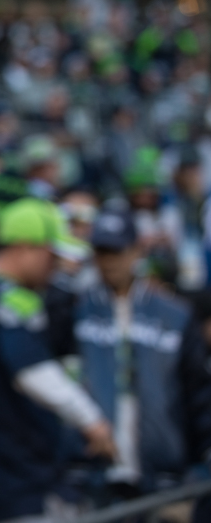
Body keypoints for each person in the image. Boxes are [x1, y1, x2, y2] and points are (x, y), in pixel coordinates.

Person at [0, 198, 116, 522]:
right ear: (25, 247)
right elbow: (33, 371)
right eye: (51, 255)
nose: (55, 267)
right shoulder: (12, 298)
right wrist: (92, 421)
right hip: (10, 476)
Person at [74, 208, 211, 502]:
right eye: (102, 252)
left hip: (165, 474)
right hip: (95, 475)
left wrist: (198, 472)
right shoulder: (76, 310)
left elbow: (199, 395)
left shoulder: (174, 315)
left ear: (136, 251)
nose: (109, 261)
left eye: (117, 251)